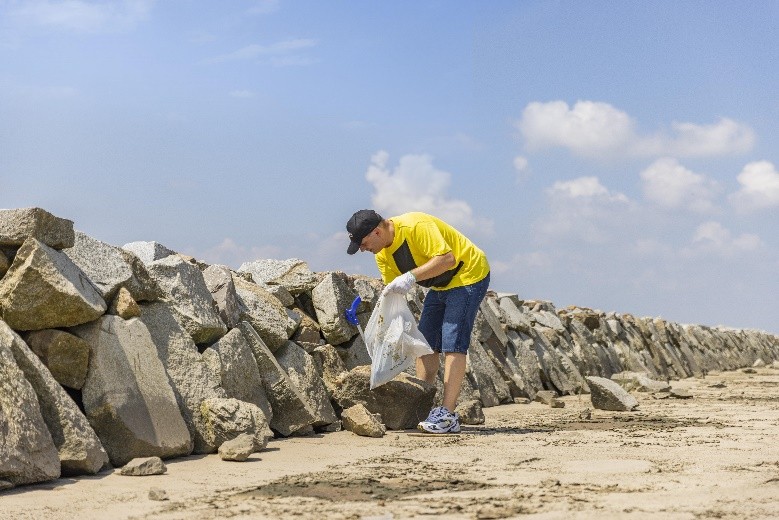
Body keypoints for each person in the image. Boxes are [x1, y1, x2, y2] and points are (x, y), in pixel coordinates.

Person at [346, 209, 490, 434]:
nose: (363, 249)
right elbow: (393, 292)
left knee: (453, 341)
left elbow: (447, 259)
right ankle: (422, 404)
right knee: (426, 343)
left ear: (376, 231)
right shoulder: (383, 254)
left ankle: (448, 415)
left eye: (363, 243)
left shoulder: (416, 226)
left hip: (468, 274)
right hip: (441, 284)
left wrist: (411, 276)